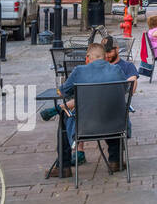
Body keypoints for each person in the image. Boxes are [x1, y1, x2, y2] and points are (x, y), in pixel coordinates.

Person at [49, 42, 134, 178]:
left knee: (64, 117)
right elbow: (124, 90)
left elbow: (63, 92)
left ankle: (63, 167)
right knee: (111, 109)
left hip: (85, 127)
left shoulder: (79, 71)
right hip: (116, 126)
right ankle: (115, 160)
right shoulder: (117, 70)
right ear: (105, 57)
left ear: (88, 57)